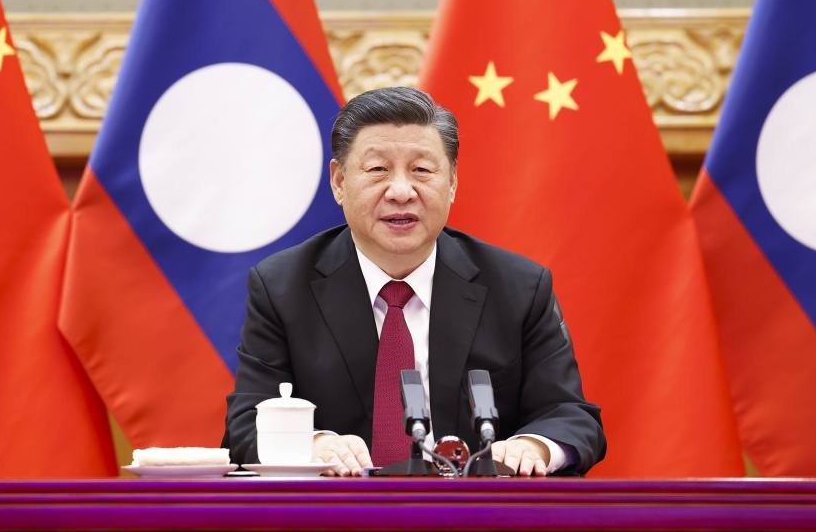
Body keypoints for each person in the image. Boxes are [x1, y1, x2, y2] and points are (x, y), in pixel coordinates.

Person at [224, 86, 606, 476]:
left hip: (475, 510)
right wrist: (313, 443)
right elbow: (245, 424)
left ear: (452, 182)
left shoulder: (518, 287)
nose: (401, 191)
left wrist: (535, 446)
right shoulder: (282, 287)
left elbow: (571, 416)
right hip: (338, 509)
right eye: (378, 170)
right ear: (339, 181)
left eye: (421, 170)